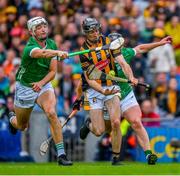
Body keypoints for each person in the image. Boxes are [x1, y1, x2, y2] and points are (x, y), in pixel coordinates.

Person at [76, 32, 172, 165]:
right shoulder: (100, 59)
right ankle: (89, 125)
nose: (119, 50)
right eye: (116, 47)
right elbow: (86, 78)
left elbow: (140, 48)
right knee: (102, 130)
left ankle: (148, 154)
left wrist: (160, 43)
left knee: (136, 122)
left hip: (125, 95)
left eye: (120, 46)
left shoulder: (125, 53)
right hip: (107, 95)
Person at [8, 16, 72, 166]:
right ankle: (12, 119)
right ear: (32, 32)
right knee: (22, 126)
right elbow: (41, 54)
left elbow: (52, 72)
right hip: (25, 87)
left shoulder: (51, 44)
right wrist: (58, 53)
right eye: (38, 27)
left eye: (44, 26)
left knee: (51, 112)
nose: (43, 29)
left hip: (43, 84)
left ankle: (61, 155)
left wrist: (41, 83)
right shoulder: (29, 48)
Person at [79, 17, 138, 165]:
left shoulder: (108, 43)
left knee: (116, 122)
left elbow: (122, 62)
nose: (96, 33)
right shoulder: (83, 51)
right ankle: (89, 125)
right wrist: (101, 91)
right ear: (86, 32)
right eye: (92, 31)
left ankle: (116, 158)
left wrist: (131, 76)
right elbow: (90, 78)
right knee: (99, 131)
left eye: (97, 29)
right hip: (95, 89)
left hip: (112, 85)